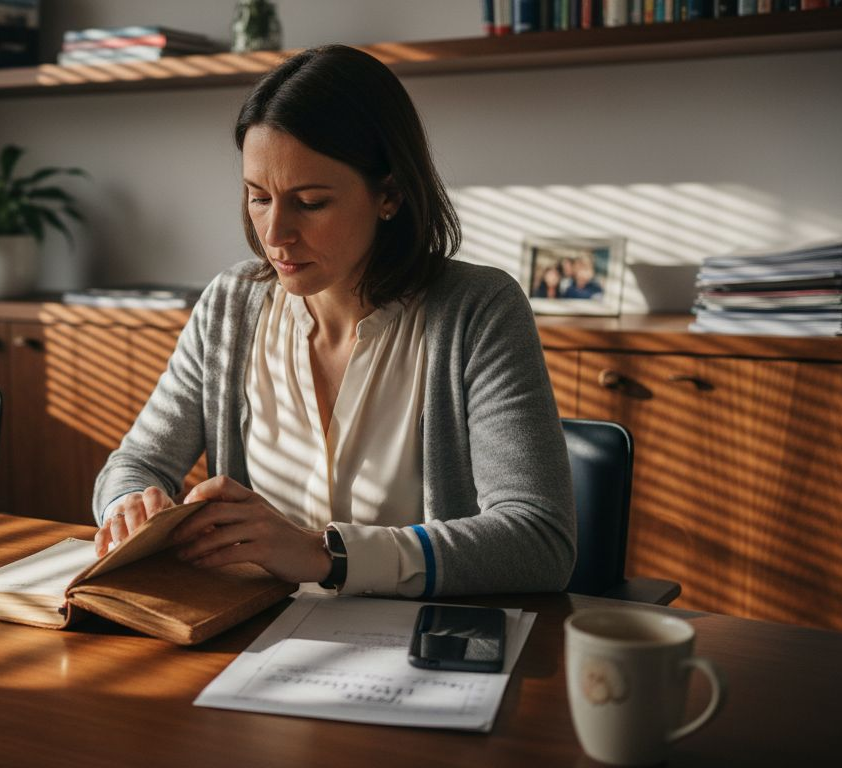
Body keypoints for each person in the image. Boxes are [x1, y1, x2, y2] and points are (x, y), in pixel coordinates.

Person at [91, 45, 575, 598]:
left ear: (389, 194)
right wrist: (129, 505)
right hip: (256, 630)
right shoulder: (230, 305)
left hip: (419, 637)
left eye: (311, 202)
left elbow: (539, 541)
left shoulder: (479, 310)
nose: (275, 234)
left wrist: (326, 554)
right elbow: (135, 463)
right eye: (258, 198)